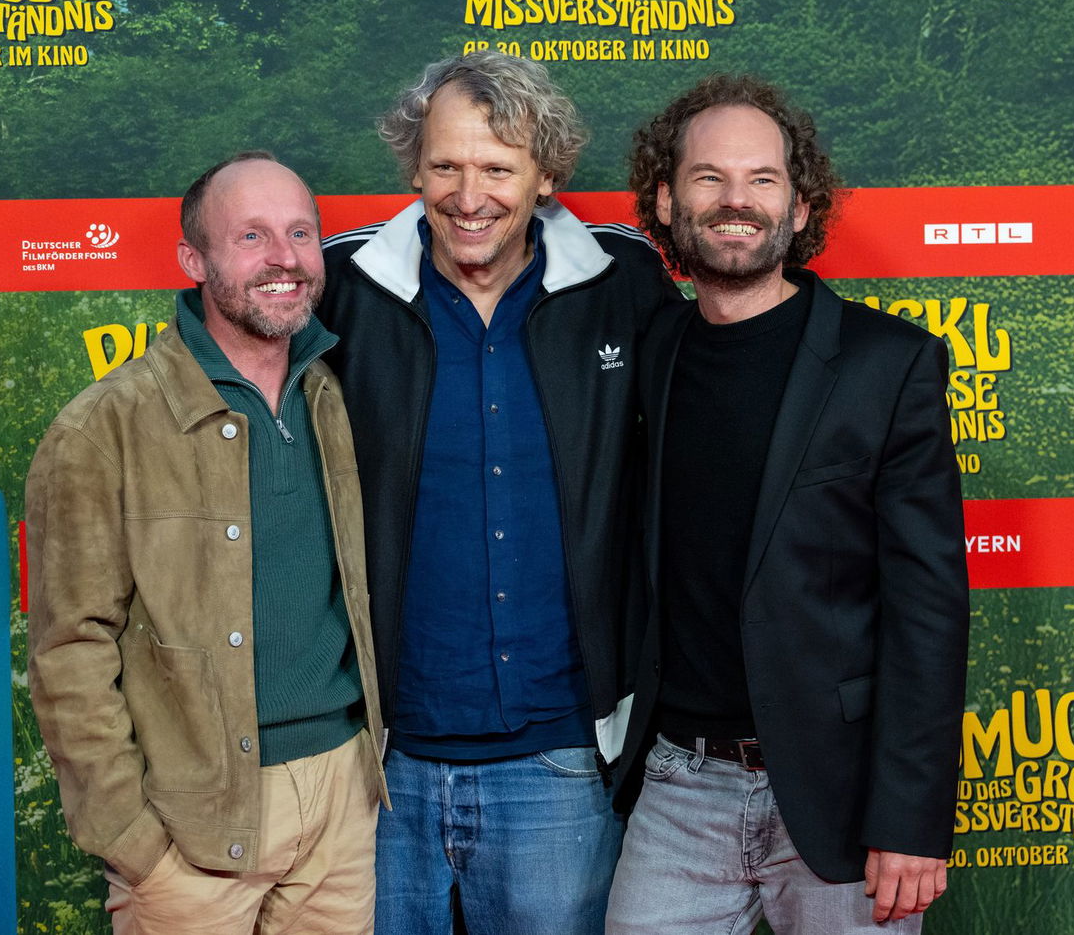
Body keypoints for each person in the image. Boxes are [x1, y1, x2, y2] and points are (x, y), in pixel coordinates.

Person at [317, 51, 680, 935]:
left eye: (497, 168)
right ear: (414, 167)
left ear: (546, 175)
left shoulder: (624, 283)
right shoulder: (341, 288)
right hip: (379, 764)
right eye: (445, 165)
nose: (467, 194)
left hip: (559, 758)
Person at [606, 75, 970, 935]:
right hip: (677, 788)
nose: (737, 201)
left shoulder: (889, 364)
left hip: (839, 794)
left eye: (762, 180)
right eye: (708, 178)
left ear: (800, 208)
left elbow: (928, 609)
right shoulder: (652, 352)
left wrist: (910, 820)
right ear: (665, 200)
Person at [26, 153, 386, 935]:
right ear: (194, 260)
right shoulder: (104, 426)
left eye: (299, 233)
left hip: (340, 802)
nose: (284, 259)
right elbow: (67, 649)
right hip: (190, 824)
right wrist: (132, 839)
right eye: (251, 236)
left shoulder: (327, 394)